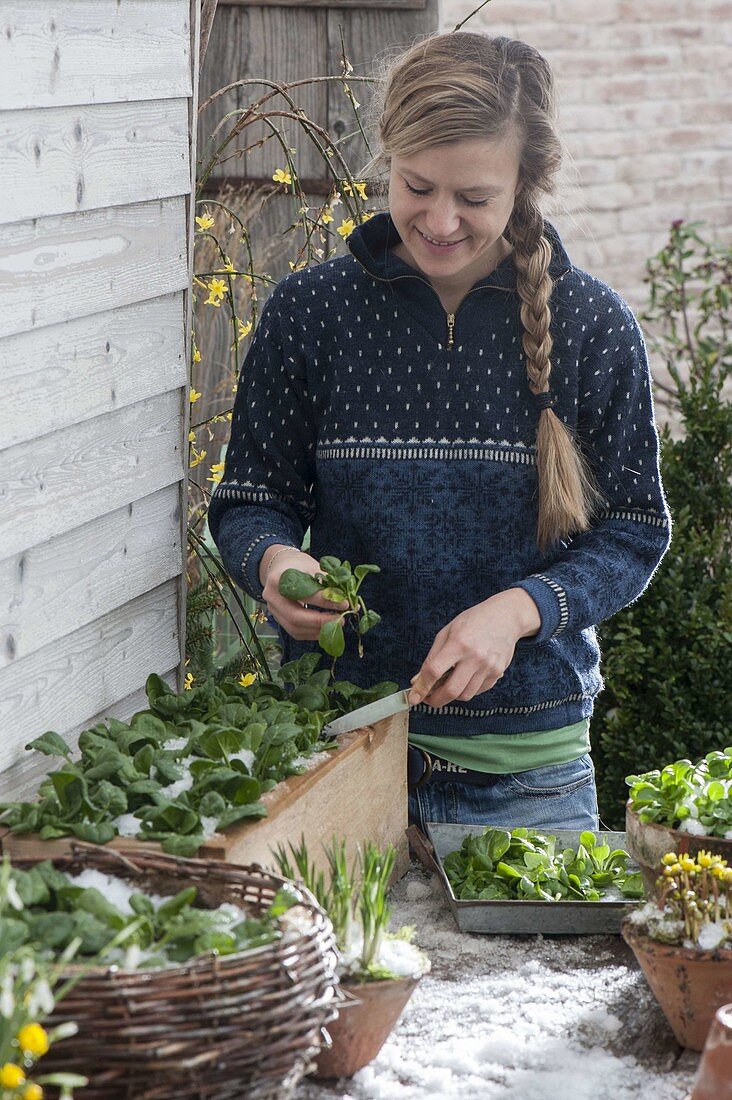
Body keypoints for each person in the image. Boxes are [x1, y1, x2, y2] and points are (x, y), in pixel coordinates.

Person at [208, 31, 671, 834]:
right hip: (333, 759)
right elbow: (250, 501)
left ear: (526, 184)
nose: (441, 219)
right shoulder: (309, 314)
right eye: (417, 185)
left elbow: (633, 531)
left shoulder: (592, 326)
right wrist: (276, 562)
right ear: (386, 152)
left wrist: (522, 610)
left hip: (528, 781)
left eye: (477, 198)